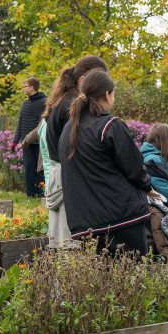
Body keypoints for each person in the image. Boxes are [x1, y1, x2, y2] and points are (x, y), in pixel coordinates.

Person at [58, 70, 166, 256]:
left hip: (84, 222)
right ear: (108, 94)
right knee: (131, 274)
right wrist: (148, 187)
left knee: (101, 280)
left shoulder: (69, 129)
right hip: (120, 217)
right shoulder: (109, 125)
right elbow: (134, 168)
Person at [42, 57, 109, 248]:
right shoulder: (73, 107)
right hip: (70, 177)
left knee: (60, 240)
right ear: (84, 79)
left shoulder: (62, 101)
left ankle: (64, 278)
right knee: (72, 242)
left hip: (59, 174)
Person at [13, 77, 46, 197]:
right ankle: (31, 194)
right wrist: (15, 141)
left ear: (32, 87)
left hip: (40, 142)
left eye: (25, 86)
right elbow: (20, 123)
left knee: (40, 169)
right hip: (26, 143)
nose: (24, 88)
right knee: (28, 168)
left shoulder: (45, 102)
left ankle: (42, 192)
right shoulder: (25, 104)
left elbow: (44, 123)